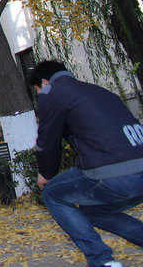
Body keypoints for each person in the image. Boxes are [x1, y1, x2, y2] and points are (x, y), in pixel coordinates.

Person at [30, 60, 143, 267]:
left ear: (44, 83)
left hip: (114, 173)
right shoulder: (101, 92)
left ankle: (101, 260)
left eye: (38, 91)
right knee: (95, 212)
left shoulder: (52, 94)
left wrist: (46, 173)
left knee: (52, 194)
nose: (40, 96)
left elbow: (47, 142)